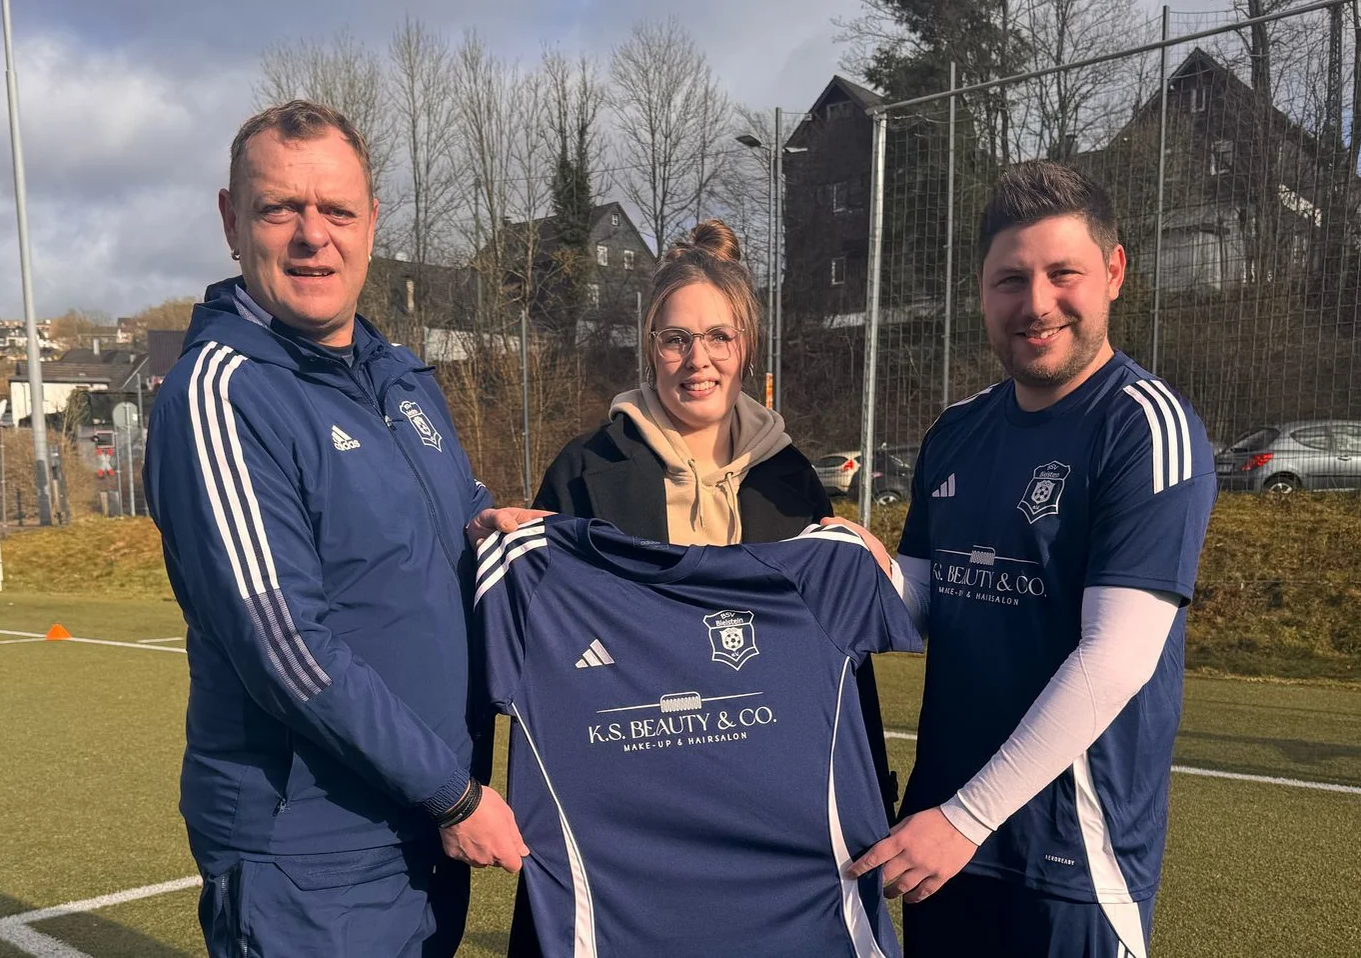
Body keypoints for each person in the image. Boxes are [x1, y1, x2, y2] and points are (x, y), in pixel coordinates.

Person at [143, 99, 534, 958]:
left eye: (337, 210)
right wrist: (455, 797)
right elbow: (285, 646)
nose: (312, 235)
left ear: (371, 224)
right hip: (313, 855)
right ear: (230, 221)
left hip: (414, 827)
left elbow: (450, 518)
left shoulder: (398, 377)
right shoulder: (223, 395)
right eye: (281, 208)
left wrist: (500, 529)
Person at [845, 161, 1217, 957]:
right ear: (981, 293)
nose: (1036, 303)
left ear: (1113, 273)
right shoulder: (956, 429)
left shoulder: (1144, 428)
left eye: (1062, 274)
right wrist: (837, 564)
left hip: (1069, 854)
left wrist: (965, 819)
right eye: (1010, 280)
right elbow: (923, 594)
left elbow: (1115, 656)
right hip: (941, 843)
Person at [517, 218, 899, 953]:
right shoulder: (583, 471)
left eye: (719, 337)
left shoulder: (789, 480)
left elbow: (830, 669)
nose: (698, 360)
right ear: (648, 349)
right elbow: (546, 652)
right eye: (675, 339)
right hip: (629, 822)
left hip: (770, 816)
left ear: (745, 347)